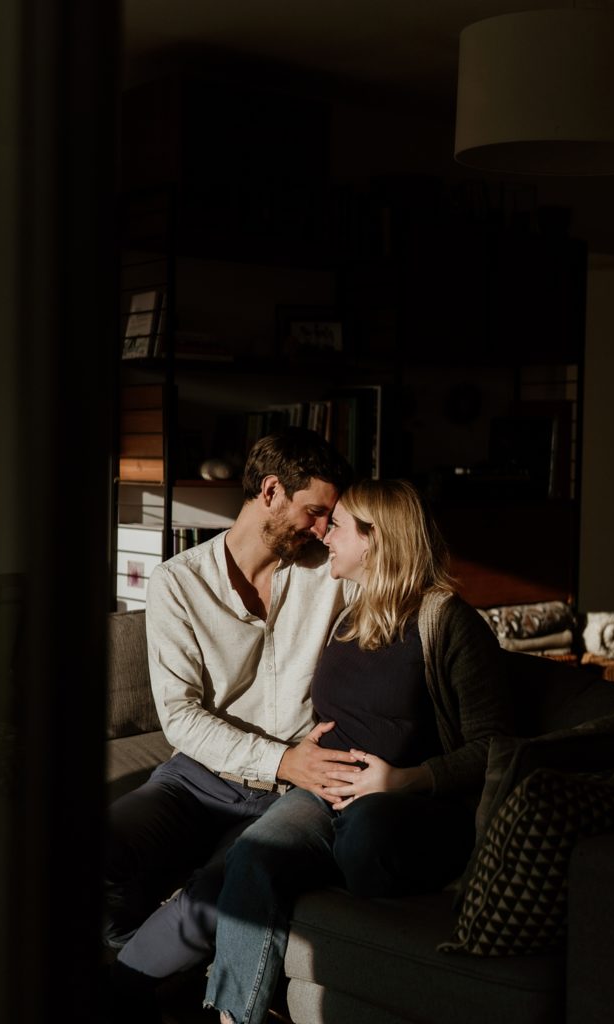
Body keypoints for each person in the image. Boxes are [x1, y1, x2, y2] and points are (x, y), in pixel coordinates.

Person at [202, 478, 512, 1024]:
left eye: (339, 525)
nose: (325, 535)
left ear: (376, 540)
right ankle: (233, 1018)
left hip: (406, 801)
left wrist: (403, 780)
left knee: (365, 845)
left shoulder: (450, 623)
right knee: (252, 857)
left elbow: (495, 748)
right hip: (323, 790)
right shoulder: (352, 610)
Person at [102, 427, 360, 1021]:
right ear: (271, 491)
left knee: (219, 897)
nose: (322, 529)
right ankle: (144, 950)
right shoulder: (177, 583)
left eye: (329, 517)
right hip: (198, 776)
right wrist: (275, 757)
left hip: (292, 792)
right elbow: (181, 718)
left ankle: (128, 982)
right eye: (314, 512)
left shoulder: (331, 571)